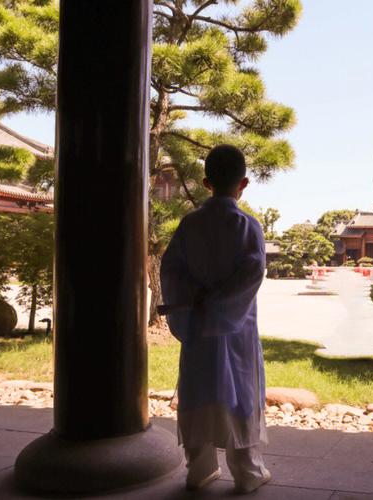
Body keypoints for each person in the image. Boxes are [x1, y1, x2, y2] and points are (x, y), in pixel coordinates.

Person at [160, 144, 270, 493]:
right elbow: (252, 272)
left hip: (198, 324)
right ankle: (247, 472)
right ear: (244, 183)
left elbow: (171, 270)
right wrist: (222, 301)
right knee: (241, 390)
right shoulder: (247, 225)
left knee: (198, 387)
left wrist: (195, 297)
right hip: (237, 327)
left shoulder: (189, 224)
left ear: (206, 182)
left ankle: (199, 468)